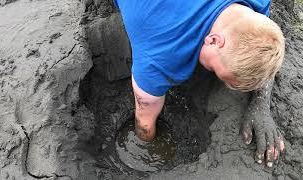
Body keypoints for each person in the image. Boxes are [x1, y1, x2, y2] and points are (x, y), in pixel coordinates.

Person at [113, 0, 285, 168]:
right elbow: (144, 118)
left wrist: (261, 102)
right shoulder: (161, 52)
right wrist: (144, 144)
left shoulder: (259, 5)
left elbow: (263, 37)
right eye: (218, 73)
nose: (220, 81)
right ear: (213, 40)